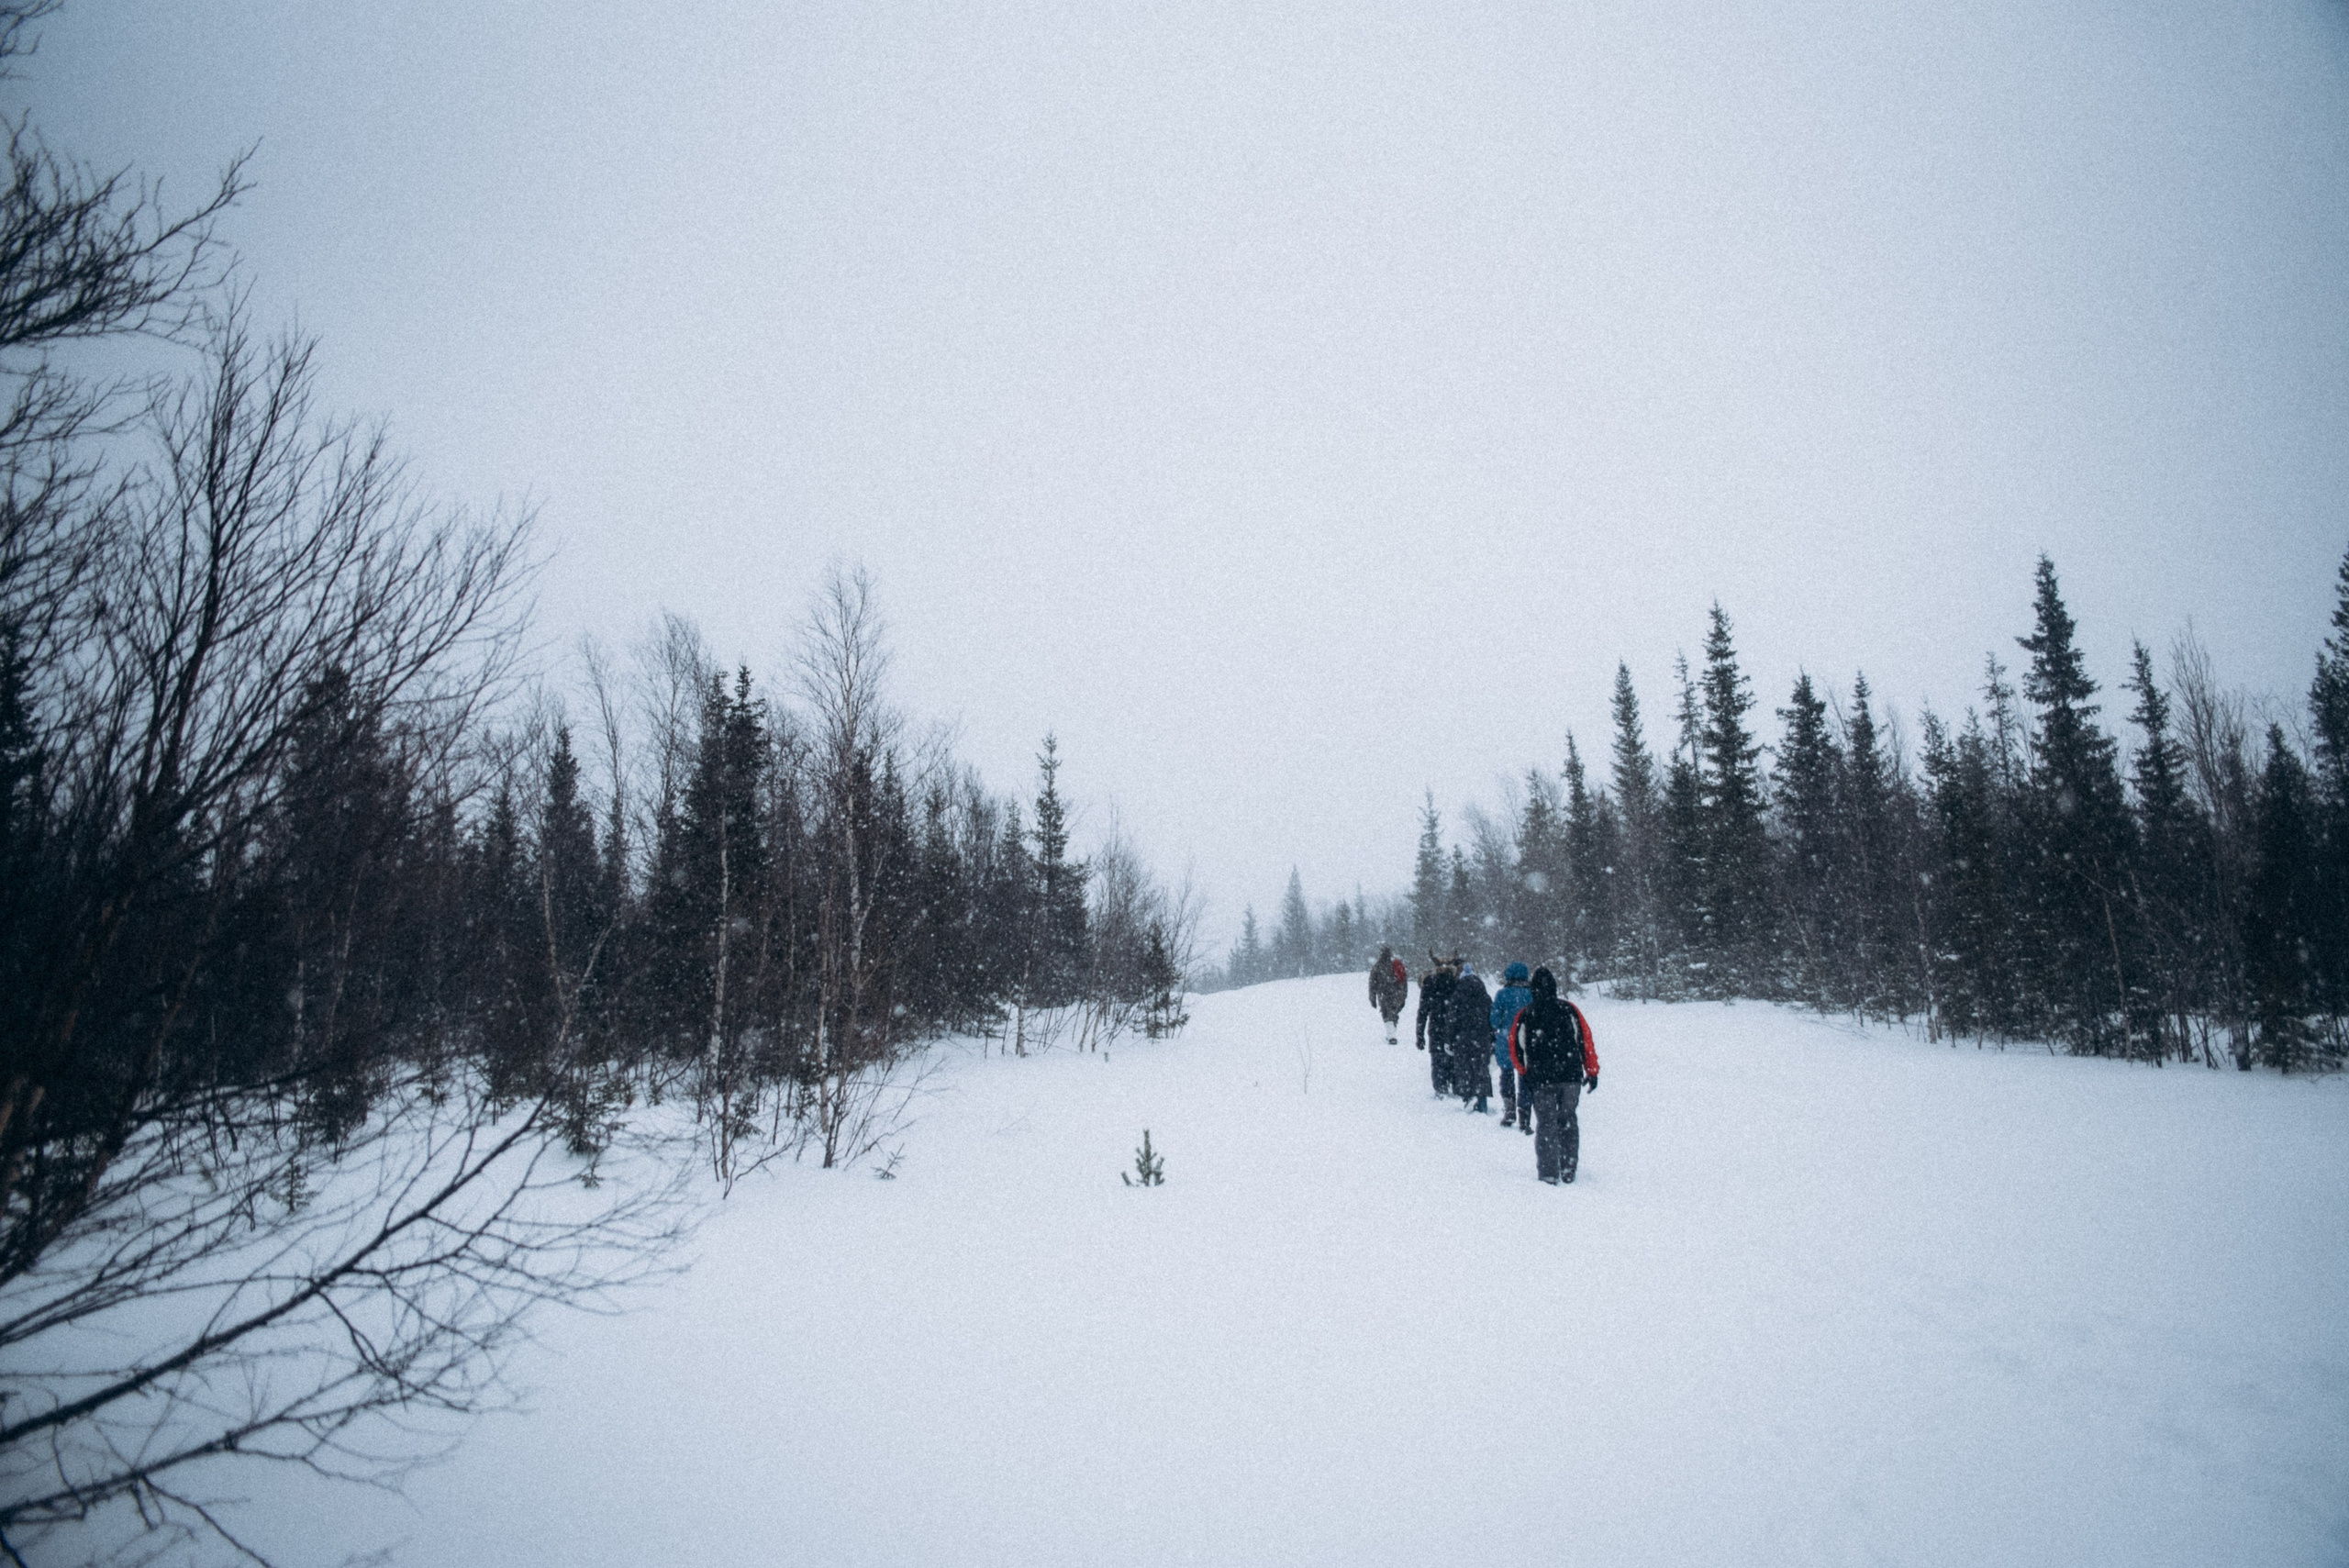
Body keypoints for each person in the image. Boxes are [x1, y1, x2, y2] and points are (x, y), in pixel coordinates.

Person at [1508, 965, 1600, 1183]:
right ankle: (1568, 1168)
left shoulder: (1526, 1013)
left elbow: (1516, 1047)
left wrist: (1525, 1072)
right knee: (1568, 1119)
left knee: (1546, 1123)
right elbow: (1585, 1041)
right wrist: (1592, 1071)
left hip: (1541, 1079)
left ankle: (1549, 1171)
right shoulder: (1569, 1010)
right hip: (1570, 1076)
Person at [1489, 961, 1532, 1128]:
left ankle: (1509, 1109)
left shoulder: (1502, 994)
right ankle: (1525, 1112)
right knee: (1525, 1076)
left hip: (1506, 1040)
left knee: (1506, 1074)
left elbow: (1494, 1020)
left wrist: (1502, 1026)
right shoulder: (1532, 994)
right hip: (1526, 1040)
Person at [1451, 960, 1493, 1112]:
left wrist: (1449, 1039)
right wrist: (1492, 1038)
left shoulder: (1457, 996)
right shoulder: (1485, 996)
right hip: (1482, 1037)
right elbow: (1491, 1019)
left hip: (1463, 1038)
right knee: (1481, 1069)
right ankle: (1482, 1101)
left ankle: (1469, 1097)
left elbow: (1452, 1020)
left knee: (1465, 1068)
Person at [1415, 956, 1458, 1098]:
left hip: (1436, 1027)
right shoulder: (1456, 983)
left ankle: (1440, 1088)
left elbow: (1423, 1011)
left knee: (1437, 1058)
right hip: (1453, 1027)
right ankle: (1454, 1084)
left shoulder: (1429, 983)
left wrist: (1419, 1034)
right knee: (1452, 1057)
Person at [1368, 945, 1409, 1043]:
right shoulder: (1397, 964)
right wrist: (1404, 995)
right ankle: (1392, 1033)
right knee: (1394, 1013)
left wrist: (1372, 998)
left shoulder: (1378, 966)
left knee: (1387, 1014)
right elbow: (1404, 980)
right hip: (1398, 993)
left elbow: (1372, 983)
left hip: (1384, 994)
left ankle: (1391, 1037)